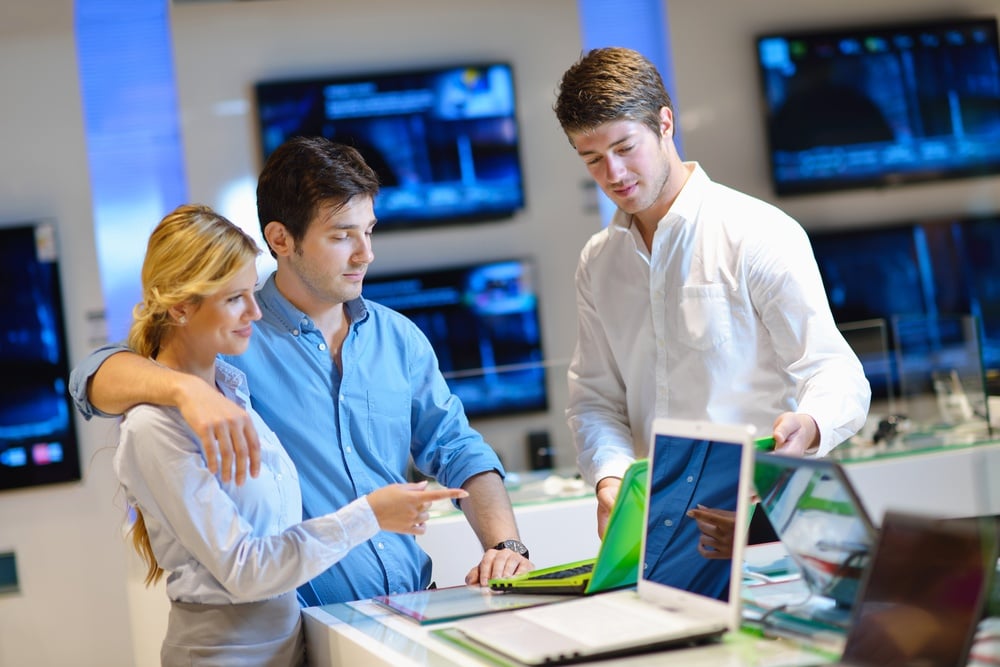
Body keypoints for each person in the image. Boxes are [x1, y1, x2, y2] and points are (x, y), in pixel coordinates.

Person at [70, 137, 533, 606]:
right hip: (312, 629)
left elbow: (457, 448)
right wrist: (187, 391)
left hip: (416, 606)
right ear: (280, 239)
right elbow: (91, 379)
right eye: (341, 236)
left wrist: (505, 545)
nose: (365, 254)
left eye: (368, 231)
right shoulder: (231, 341)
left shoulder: (399, 338)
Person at [552, 48, 871, 558]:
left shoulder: (759, 234)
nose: (612, 173)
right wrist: (609, 479)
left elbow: (835, 372)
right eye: (591, 159)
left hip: (768, 518)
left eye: (624, 147)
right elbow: (595, 399)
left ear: (665, 123)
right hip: (661, 526)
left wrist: (809, 425)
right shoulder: (598, 262)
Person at [117, 204, 468, 666]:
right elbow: (245, 570)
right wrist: (369, 515)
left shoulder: (233, 389)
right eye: (234, 298)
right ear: (181, 306)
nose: (255, 312)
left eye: (252, 292)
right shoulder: (153, 428)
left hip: (292, 646)